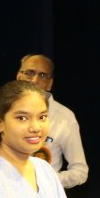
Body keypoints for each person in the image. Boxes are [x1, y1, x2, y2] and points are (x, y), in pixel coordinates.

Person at [15, 54, 89, 189]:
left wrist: (45, 181)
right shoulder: (3, 109)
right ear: (19, 76)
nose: (34, 80)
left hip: (44, 197)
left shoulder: (64, 118)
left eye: (42, 75)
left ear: (49, 84)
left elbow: (80, 172)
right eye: (29, 73)